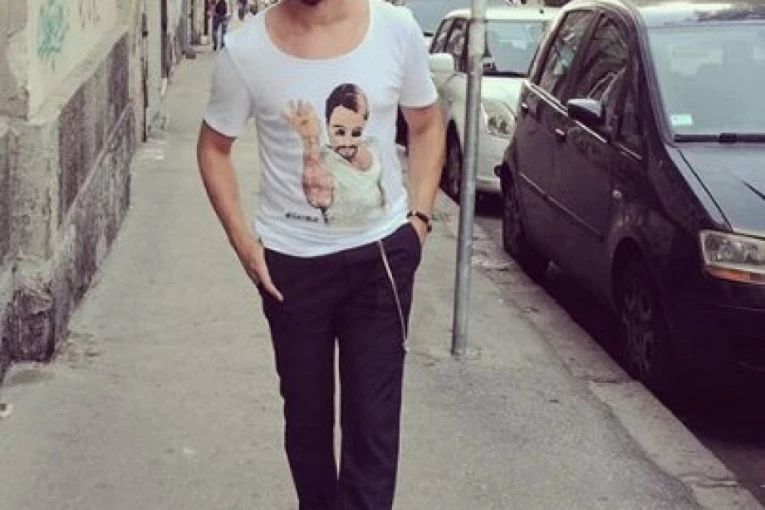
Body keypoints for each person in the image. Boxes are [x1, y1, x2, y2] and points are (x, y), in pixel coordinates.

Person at [197, 0, 444, 508]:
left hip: (381, 260)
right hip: (291, 268)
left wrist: (418, 221)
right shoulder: (246, 51)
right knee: (307, 424)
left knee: (373, 427)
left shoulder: (394, 30)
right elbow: (212, 147)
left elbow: (425, 124)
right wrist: (244, 245)